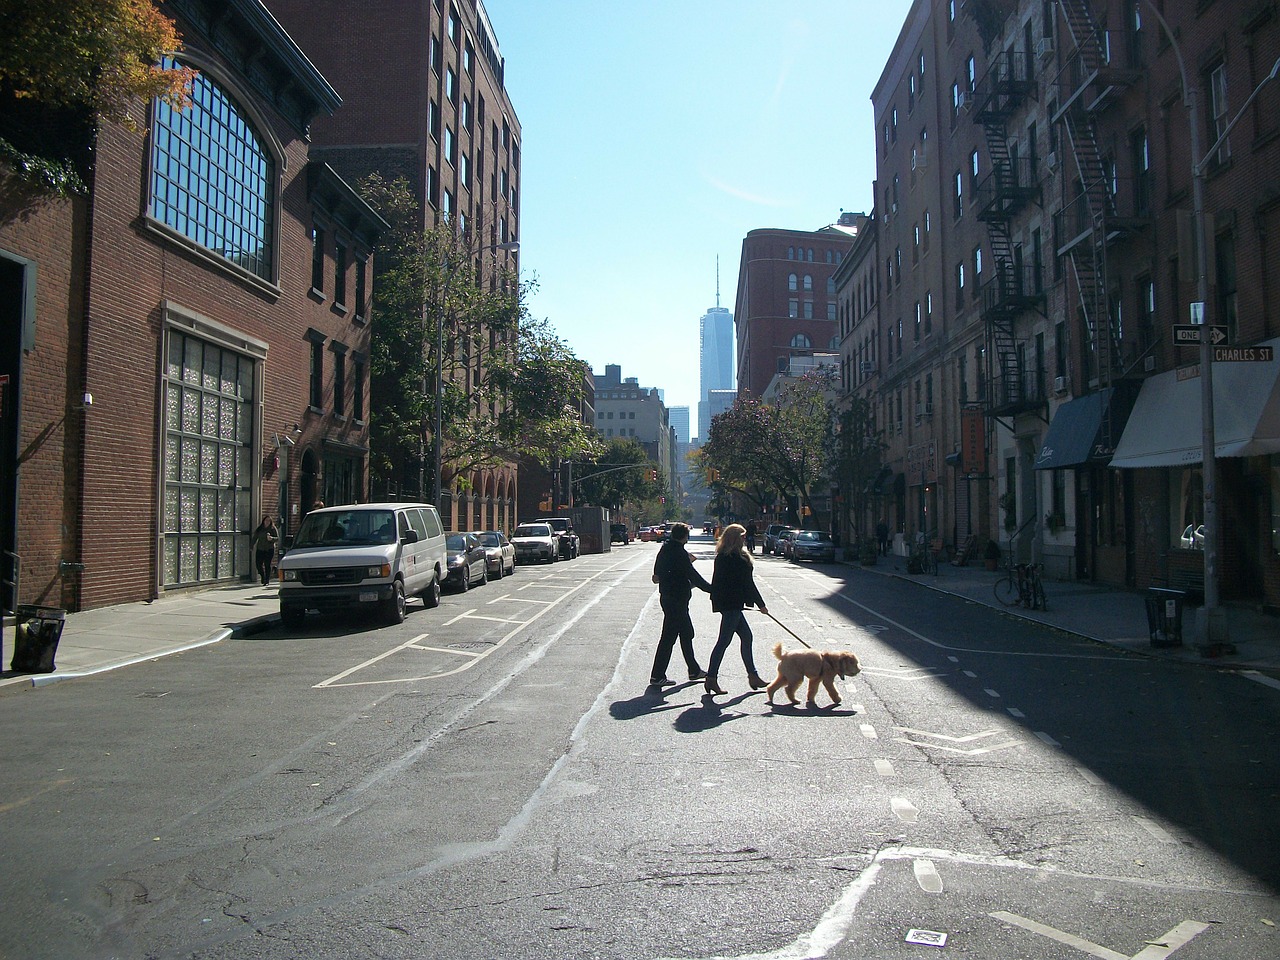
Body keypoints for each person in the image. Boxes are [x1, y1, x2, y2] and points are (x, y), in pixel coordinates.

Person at [704, 523, 769, 695]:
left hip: (728, 603)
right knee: (723, 642)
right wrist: (761, 604)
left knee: (747, 637)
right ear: (735, 538)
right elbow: (748, 584)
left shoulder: (723, 556)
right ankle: (711, 678)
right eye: (742, 536)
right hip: (731, 604)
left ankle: (752, 675)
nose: (745, 539)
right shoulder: (737, 559)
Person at [648, 522, 710, 686]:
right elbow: (693, 576)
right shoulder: (679, 552)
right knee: (668, 637)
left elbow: (657, 572)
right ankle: (657, 675)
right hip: (677, 599)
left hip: (668, 597)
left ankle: (694, 670)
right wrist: (712, 589)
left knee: (686, 633)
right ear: (684, 536)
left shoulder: (665, 549)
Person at [251, 515, 278, 586]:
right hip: (260, 548)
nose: (267, 522)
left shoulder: (272, 529)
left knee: (267, 564)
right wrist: (251, 546)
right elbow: (255, 537)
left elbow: (277, 538)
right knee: (258, 564)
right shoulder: (260, 529)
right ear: (263, 521)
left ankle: (267, 580)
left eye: (269, 521)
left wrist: (271, 538)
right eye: (266, 520)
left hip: (269, 549)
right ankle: (263, 576)